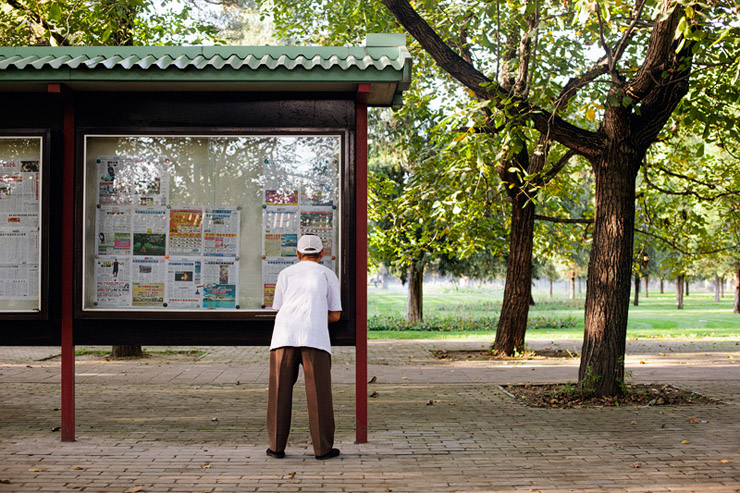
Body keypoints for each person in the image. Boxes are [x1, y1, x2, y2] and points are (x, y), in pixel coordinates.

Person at [266, 234, 342, 460]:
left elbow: (278, 308)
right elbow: (336, 315)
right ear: (322, 254)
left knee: (279, 393)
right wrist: (315, 314)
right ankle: (323, 449)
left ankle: (276, 448)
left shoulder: (285, 273)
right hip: (314, 337)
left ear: (298, 255)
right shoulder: (328, 274)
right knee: (319, 394)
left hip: (283, 336)